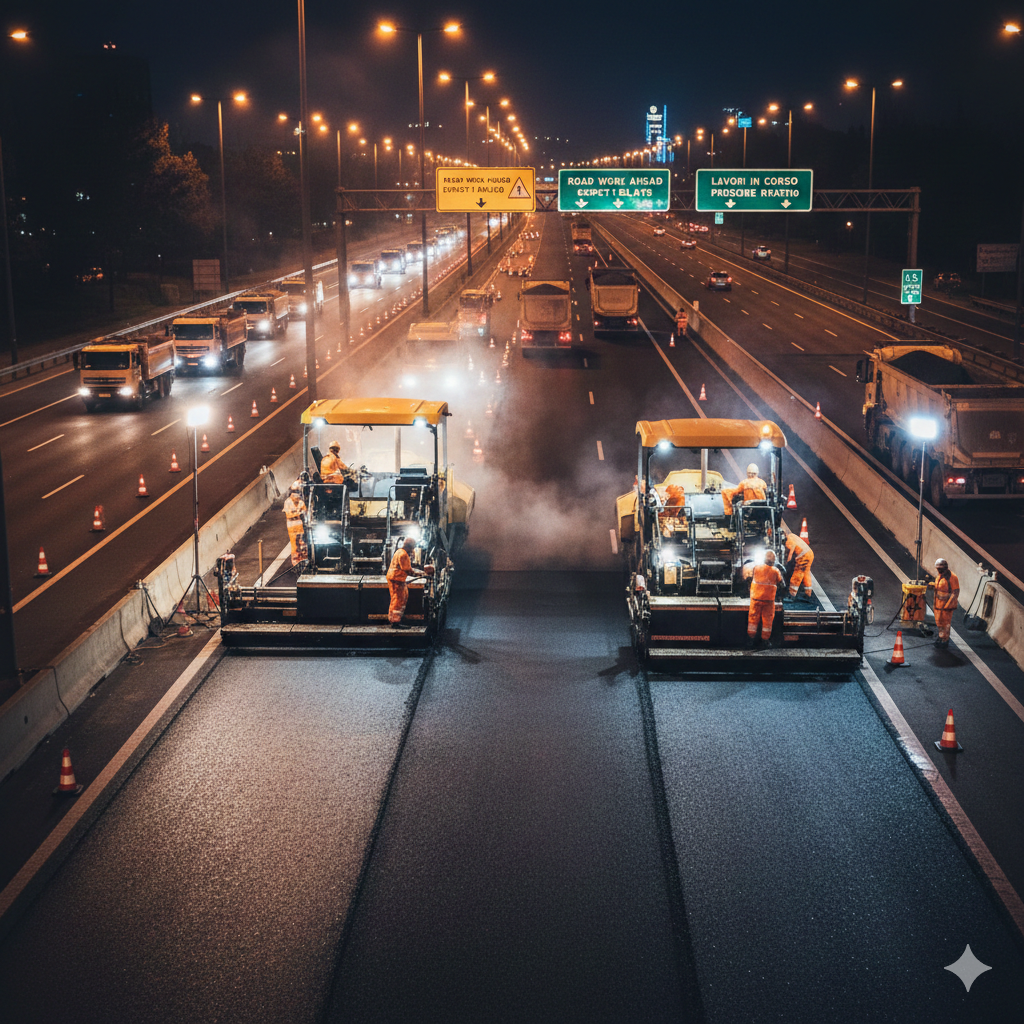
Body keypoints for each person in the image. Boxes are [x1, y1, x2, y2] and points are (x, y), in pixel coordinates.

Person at [386, 536, 434, 628]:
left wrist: (418, 571)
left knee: (396, 598)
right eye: (413, 548)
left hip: (394, 577)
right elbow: (407, 570)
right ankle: (396, 622)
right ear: (410, 547)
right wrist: (420, 574)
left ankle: (393, 619)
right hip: (397, 579)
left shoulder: (399, 551)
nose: (413, 550)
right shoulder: (403, 554)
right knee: (399, 599)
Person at [747, 550, 783, 648]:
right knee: (767, 621)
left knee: (753, 620)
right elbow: (781, 584)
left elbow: (748, 578)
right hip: (769, 601)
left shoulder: (756, 568)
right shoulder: (776, 571)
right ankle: (765, 641)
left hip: (755, 599)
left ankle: (750, 640)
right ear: (773, 560)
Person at [932, 558, 960, 647]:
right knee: (939, 622)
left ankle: (945, 640)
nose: (939, 570)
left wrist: (948, 605)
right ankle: (941, 637)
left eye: (940, 568)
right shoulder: (939, 576)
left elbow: (955, 592)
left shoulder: (952, 577)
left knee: (945, 623)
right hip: (938, 604)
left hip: (946, 606)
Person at [783, 528, 814, 602]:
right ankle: (808, 594)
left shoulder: (789, 540)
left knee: (797, 574)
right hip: (809, 554)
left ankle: (792, 595)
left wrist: (786, 563)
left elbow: (790, 554)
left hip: (803, 557)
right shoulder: (792, 535)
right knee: (806, 574)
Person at [283, 484, 307, 567]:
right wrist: (298, 514)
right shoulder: (288, 502)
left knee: (303, 543)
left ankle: (303, 559)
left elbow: (305, 512)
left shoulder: (301, 502)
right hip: (292, 527)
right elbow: (288, 515)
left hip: (301, 526)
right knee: (294, 545)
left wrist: (296, 514)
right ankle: (295, 561)